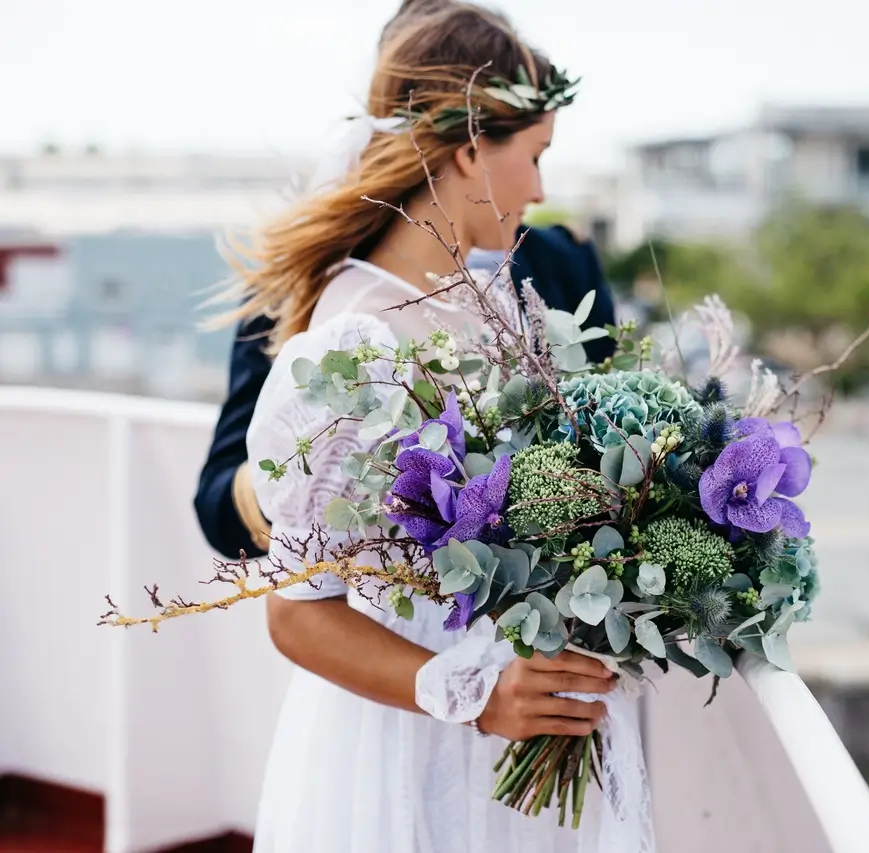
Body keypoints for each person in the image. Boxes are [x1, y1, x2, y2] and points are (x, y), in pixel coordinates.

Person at [215, 4, 648, 850]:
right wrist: (477, 693)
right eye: (536, 155)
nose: (541, 190)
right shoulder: (354, 345)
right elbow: (297, 614)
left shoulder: (503, 307)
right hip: (412, 746)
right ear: (467, 151)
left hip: (523, 738)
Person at [193, 0, 616, 563]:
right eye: (535, 155)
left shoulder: (560, 263)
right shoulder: (307, 290)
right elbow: (225, 507)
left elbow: (607, 433)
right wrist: (323, 458)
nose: (539, 189)